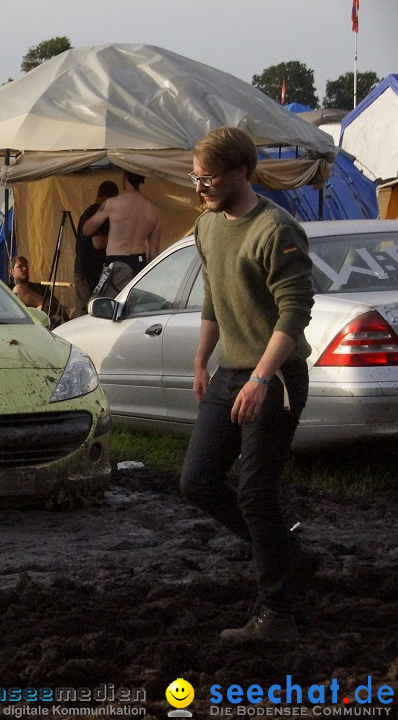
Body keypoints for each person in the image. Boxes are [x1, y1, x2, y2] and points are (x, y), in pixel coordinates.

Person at [179, 126, 318, 641]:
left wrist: (261, 377)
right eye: (195, 178)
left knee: (256, 493)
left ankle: (277, 613)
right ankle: (286, 553)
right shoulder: (208, 226)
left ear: (241, 170)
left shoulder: (275, 229)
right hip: (229, 373)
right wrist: (200, 361)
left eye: (208, 178)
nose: (200, 188)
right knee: (197, 482)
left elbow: (295, 311)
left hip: (275, 376)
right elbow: (214, 297)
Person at [82, 171, 161, 298]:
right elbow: (154, 250)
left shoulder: (112, 203)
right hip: (140, 263)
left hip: (116, 263)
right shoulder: (153, 209)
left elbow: (87, 230)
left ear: (124, 179)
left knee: (105, 306)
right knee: (132, 305)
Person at [72, 180, 118, 317]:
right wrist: (118, 235)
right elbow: (98, 243)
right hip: (88, 272)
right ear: (112, 197)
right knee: (87, 311)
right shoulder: (97, 213)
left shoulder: (90, 211)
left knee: (88, 308)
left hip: (86, 270)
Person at [10, 256, 64, 323]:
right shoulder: (6, 290)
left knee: (42, 309)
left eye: (25, 266)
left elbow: (55, 305)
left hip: (47, 324)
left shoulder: (40, 288)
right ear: (11, 271)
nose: (24, 269)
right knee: (18, 289)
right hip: (23, 325)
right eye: (20, 266)